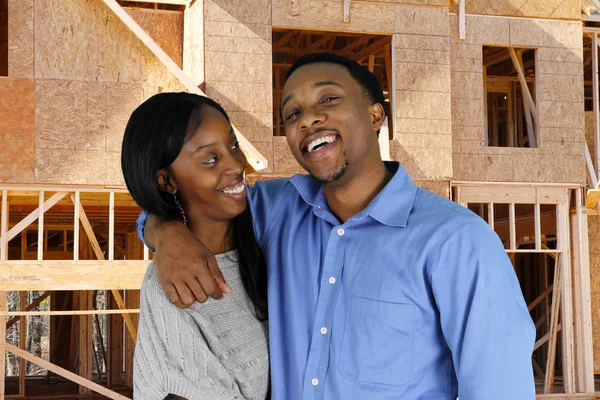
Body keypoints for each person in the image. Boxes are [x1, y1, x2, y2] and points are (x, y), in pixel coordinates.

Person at [139, 53, 536, 399]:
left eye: (328, 99)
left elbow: (498, 388)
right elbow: (190, 199)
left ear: (376, 114)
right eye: (292, 114)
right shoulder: (275, 211)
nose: (308, 118)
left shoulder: (456, 241)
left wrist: (164, 233)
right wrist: (166, 233)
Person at [121, 92, 270, 400]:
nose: (237, 165)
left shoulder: (266, 235)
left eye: (233, 146)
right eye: (211, 159)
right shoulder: (177, 284)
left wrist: (163, 229)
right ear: (166, 181)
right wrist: (164, 230)